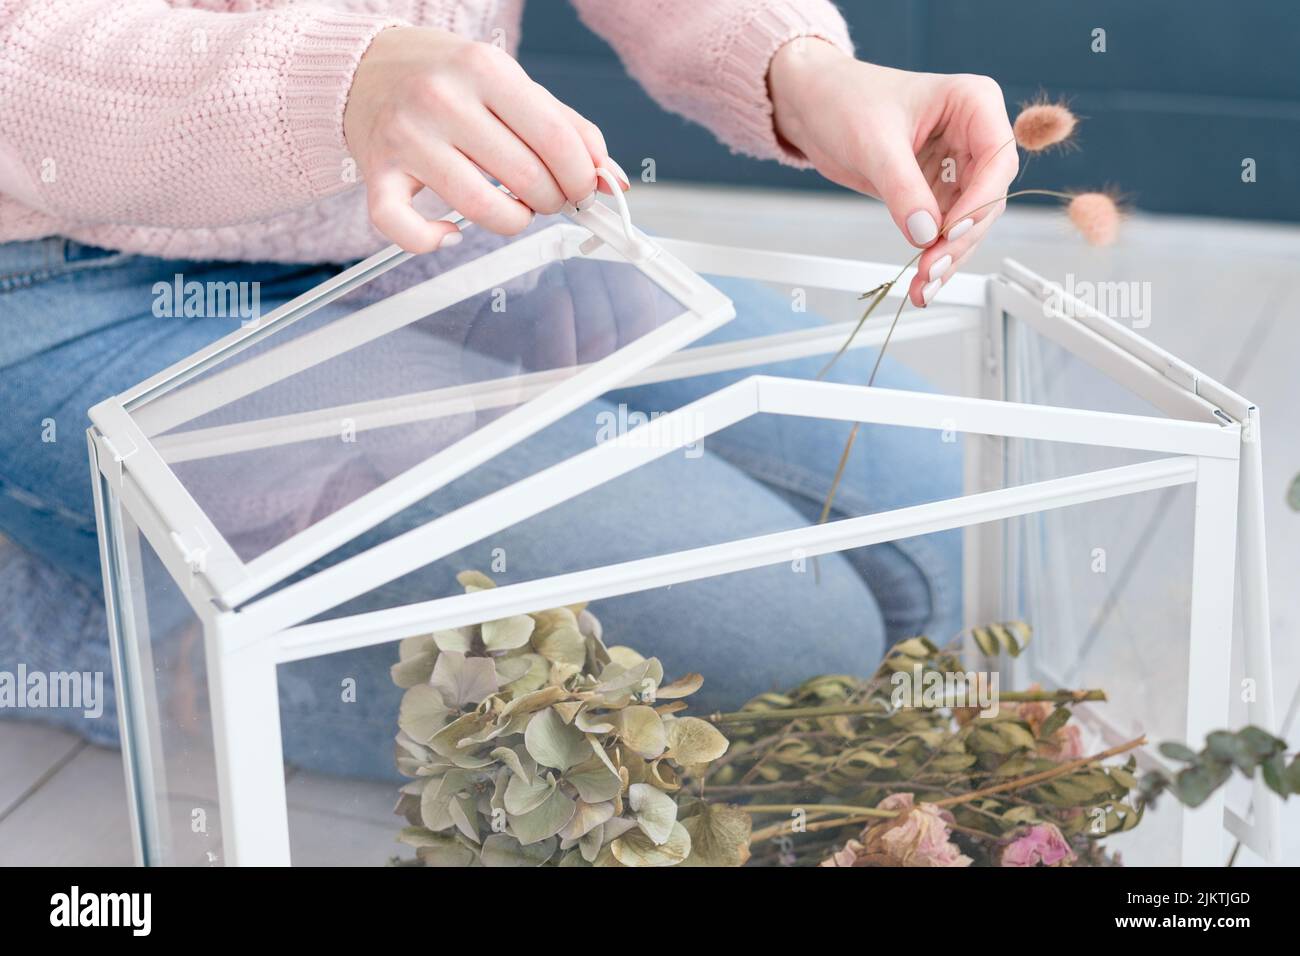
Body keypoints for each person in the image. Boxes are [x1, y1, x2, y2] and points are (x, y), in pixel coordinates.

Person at [0, 1, 1017, 779]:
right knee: (779, 657)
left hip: (418, 211)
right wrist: (336, 85)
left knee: (956, 524)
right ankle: (70, 625)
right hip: (65, 269)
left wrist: (795, 66)